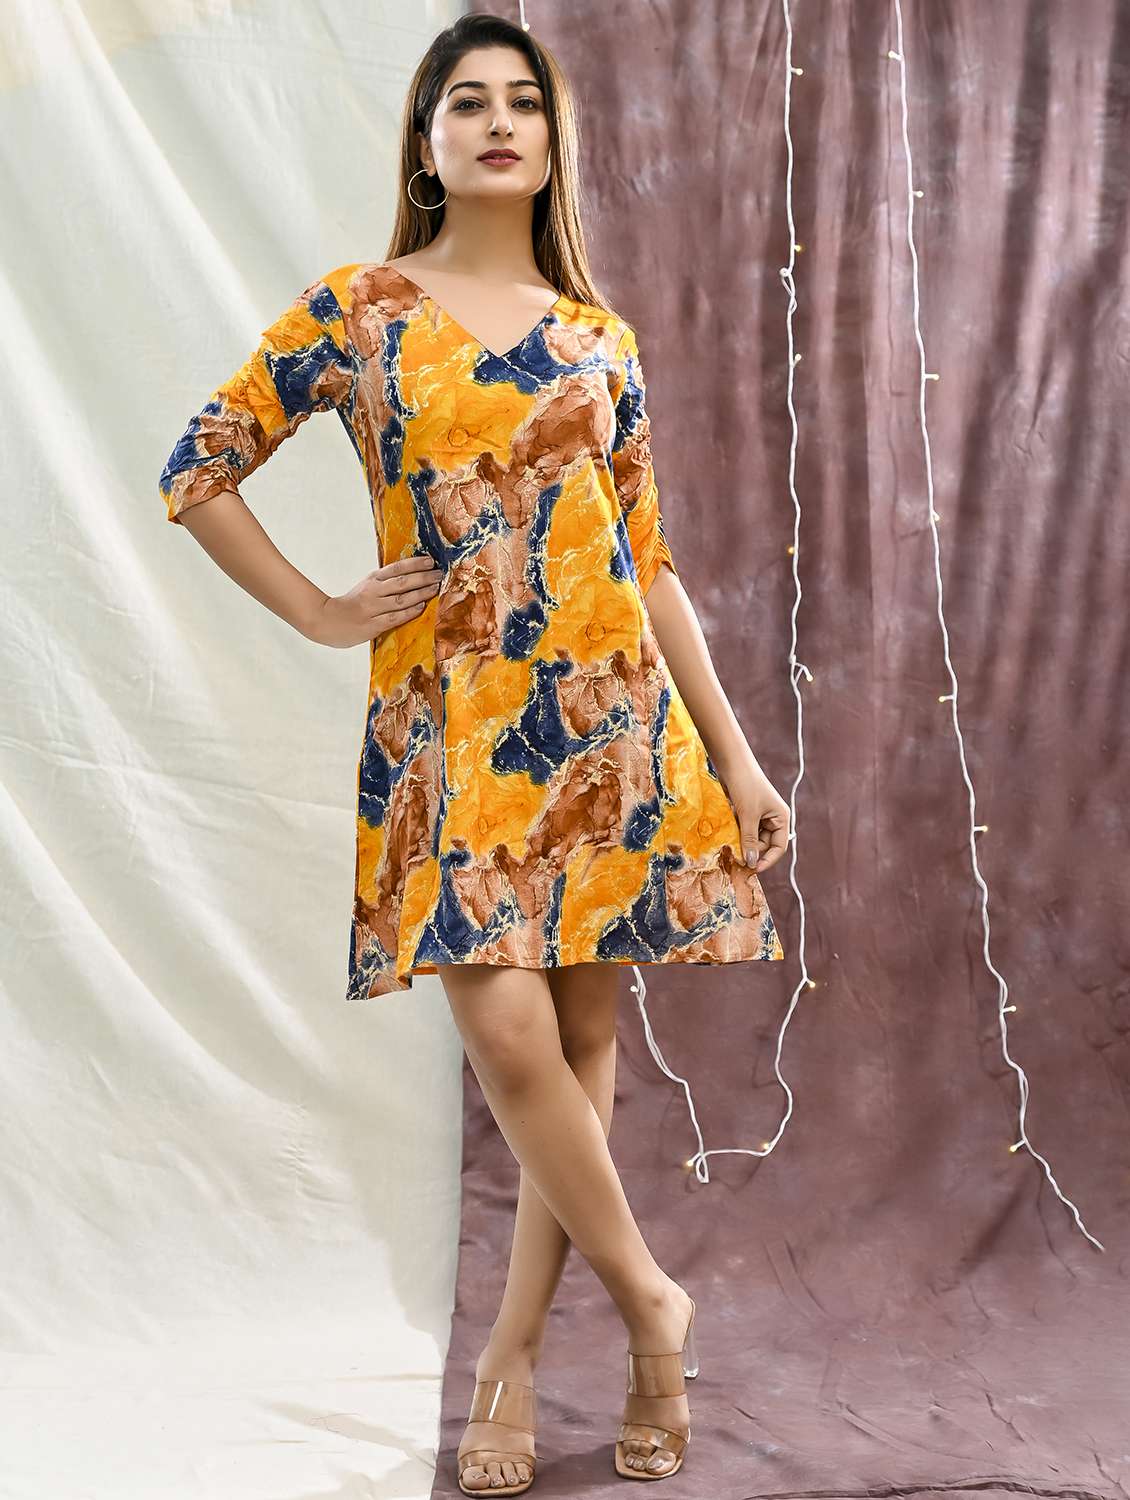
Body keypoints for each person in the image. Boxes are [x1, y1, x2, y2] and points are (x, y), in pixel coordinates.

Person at [158, 13, 790, 1493]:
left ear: (552, 143)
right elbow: (197, 468)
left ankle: (513, 1358)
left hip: (610, 722)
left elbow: (649, 563)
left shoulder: (597, 340)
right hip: (448, 729)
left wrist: (738, 759)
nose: (498, 121)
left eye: (523, 101)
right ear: (426, 141)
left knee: (580, 1045)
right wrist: (321, 610)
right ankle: (654, 1304)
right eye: (467, 101)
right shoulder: (358, 310)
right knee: (507, 1036)